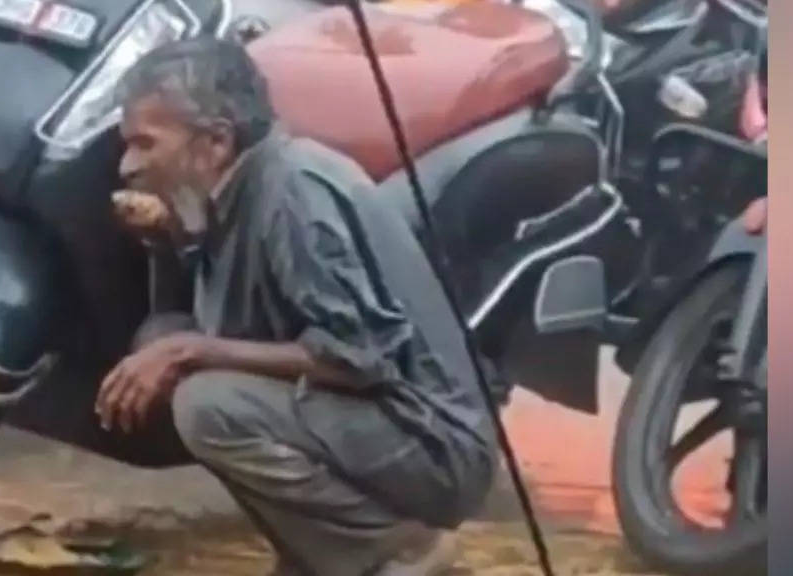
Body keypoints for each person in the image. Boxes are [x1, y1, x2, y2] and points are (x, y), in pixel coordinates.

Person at [95, 36, 498, 576]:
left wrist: (191, 351)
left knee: (207, 403)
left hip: (431, 445)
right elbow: (203, 319)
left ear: (215, 142)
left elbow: (357, 358)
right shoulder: (231, 191)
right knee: (160, 344)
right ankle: (314, 554)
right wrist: (167, 245)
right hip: (375, 425)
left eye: (145, 144)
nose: (128, 165)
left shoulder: (293, 193)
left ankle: (394, 550)